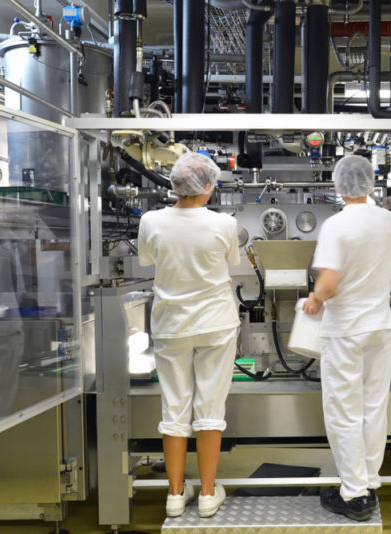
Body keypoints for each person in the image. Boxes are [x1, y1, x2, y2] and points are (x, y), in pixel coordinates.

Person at [302, 155, 391, 521]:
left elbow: (328, 282)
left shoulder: (336, 225)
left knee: (344, 410)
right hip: (379, 326)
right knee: (373, 406)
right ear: (369, 184)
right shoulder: (385, 220)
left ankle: (354, 494)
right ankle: (369, 482)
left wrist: (314, 300)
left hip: (345, 328)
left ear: (338, 186)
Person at [138, 152, 241, 518]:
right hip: (216, 324)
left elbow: (147, 261)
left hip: (171, 326)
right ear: (207, 186)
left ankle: (175, 494)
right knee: (210, 407)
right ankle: (209, 493)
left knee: (174, 408)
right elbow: (232, 262)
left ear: (175, 183)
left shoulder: (151, 221)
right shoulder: (224, 223)